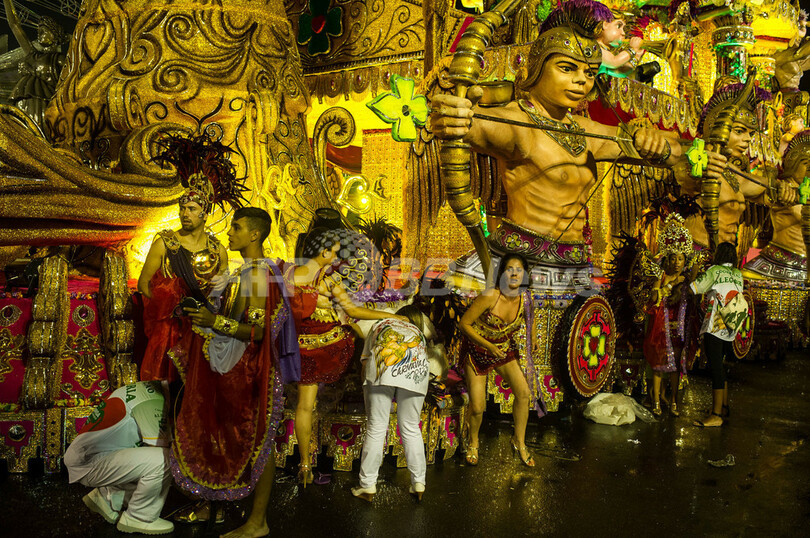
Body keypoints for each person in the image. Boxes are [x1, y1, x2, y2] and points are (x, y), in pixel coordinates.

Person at [430, 2, 679, 283]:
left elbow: (676, 154)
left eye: (589, 73)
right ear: (538, 68)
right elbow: (479, 126)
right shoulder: (520, 122)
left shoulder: (584, 130)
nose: (581, 82)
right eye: (567, 68)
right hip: (519, 270)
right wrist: (458, 118)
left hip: (574, 269)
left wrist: (655, 141)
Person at [171, 206, 299, 538]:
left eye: (237, 228)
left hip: (250, 372)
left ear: (255, 234)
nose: (230, 233)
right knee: (236, 438)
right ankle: (218, 505)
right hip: (236, 369)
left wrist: (214, 322)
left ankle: (257, 522)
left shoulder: (257, 274)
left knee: (258, 441)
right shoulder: (246, 272)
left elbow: (255, 331)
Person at [286, 227, 406, 486]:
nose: (337, 257)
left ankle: (305, 463)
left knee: (304, 407)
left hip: (294, 346)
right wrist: (392, 316)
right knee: (360, 339)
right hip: (326, 347)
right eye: (335, 251)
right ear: (323, 251)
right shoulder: (326, 280)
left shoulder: (286, 275)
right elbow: (354, 310)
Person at [137, 134, 230, 382]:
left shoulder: (218, 250)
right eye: (182, 208)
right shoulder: (165, 244)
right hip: (169, 331)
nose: (184, 213)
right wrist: (166, 305)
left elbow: (221, 292)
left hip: (204, 328)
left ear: (205, 213)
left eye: (191, 209)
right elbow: (143, 284)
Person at [678, 83, 796, 248]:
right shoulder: (693, 159)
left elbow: (761, 185)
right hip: (693, 254)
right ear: (716, 128)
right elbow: (669, 154)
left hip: (724, 258)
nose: (748, 139)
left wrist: (781, 187)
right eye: (739, 131)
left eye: (750, 133)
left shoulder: (732, 172)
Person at [63, 380, 174, 535]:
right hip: (90, 462)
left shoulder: (145, 388)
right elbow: (160, 448)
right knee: (165, 460)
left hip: (87, 456)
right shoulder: (152, 401)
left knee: (147, 457)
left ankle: (107, 499)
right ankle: (140, 517)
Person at [458, 253, 539, 466]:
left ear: (524, 275)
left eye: (519, 269)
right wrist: (488, 346)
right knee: (477, 407)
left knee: (523, 393)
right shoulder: (489, 296)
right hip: (477, 351)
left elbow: (530, 322)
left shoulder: (526, 298)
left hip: (503, 349)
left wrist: (532, 340)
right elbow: (464, 324)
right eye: (509, 268)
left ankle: (519, 441)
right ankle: (473, 442)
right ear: (502, 273)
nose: (514, 273)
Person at [351, 304, 431, 502]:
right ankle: (418, 483)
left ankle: (367, 485)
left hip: (383, 369)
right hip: (417, 372)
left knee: (377, 427)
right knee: (411, 427)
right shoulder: (418, 332)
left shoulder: (380, 324)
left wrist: (365, 387)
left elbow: (364, 362)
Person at [642, 214, 695, 417]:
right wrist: (670, 284)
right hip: (660, 329)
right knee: (657, 365)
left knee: (675, 368)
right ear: (667, 259)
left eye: (681, 258)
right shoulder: (661, 276)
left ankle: (673, 402)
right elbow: (655, 298)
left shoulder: (688, 278)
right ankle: (655, 401)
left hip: (679, 329)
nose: (677, 262)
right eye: (673, 258)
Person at [690, 242, 747, 427]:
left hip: (714, 326)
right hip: (731, 327)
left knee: (715, 369)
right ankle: (723, 406)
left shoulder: (714, 271)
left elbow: (694, 288)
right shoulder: (738, 274)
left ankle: (715, 415)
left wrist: (694, 271)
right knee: (721, 366)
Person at [744, 130, 809, 282]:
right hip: (776, 265)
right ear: (794, 162)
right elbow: (746, 185)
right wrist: (774, 186)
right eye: (807, 163)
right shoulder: (782, 187)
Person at [1, 0, 65, 126]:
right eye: (38, 30)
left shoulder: (59, 59)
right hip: (22, 102)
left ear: (55, 35)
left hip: (43, 104)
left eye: (44, 30)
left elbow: (65, 86)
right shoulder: (32, 54)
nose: (39, 33)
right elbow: (14, 25)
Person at [593, 4, 645, 78]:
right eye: (618, 26)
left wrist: (636, 57)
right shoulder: (594, 47)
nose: (623, 33)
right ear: (605, 24)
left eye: (623, 29)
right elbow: (614, 61)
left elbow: (620, 72)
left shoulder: (606, 53)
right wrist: (632, 49)